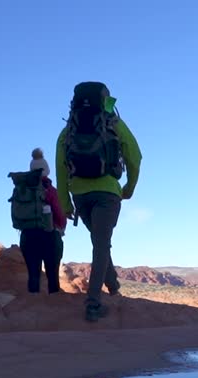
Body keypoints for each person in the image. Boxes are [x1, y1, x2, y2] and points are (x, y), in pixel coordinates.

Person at [55, 82, 142, 322]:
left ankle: (113, 285)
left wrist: (65, 202)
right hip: (107, 193)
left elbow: (61, 169)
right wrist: (129, 187)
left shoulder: (68, 131)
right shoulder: (113, 123)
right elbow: (135, 156)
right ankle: (93, 303)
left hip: (80, 195)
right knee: (101, 244)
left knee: (99, 240)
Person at [14, 149, 67, 294]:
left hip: (27, 235)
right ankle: (54, 311)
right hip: (49, 235)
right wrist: (61, 228)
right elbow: (60, 213)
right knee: (52, 278)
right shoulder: (50, 189)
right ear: (47, 170)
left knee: (33, 276)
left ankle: (33, 310)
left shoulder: (22, 189)